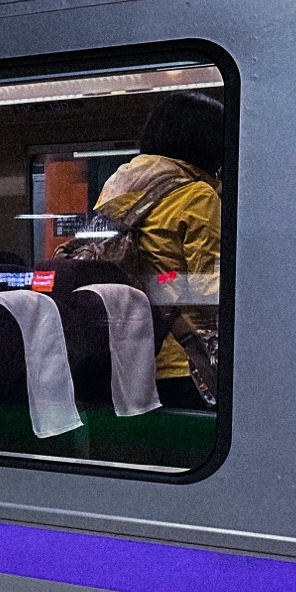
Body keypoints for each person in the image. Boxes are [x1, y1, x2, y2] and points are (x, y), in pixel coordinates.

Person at [73, 91, 224, 408]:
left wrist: (160, 281)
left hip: (129, 354)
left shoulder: (118, 185)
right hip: (183, 361)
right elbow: (207, 291)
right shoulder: (198, 195)